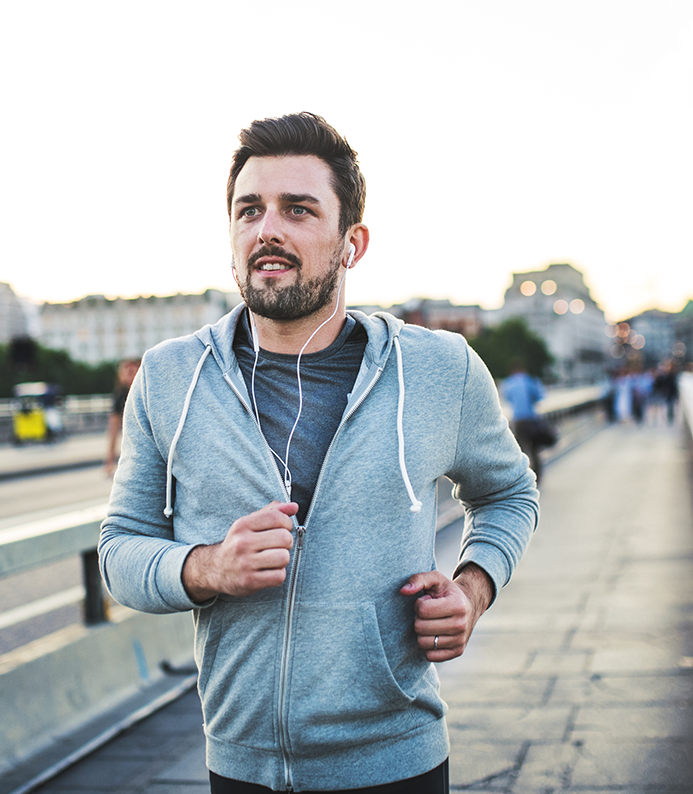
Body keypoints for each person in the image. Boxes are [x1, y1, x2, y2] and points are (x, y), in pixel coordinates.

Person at [99, 112, 539, 793]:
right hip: (239, 765)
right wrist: (209, 565)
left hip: (399, 759)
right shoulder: (168, 377)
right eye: (250, 210)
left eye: (298, 209)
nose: (267, 228)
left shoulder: (437, 369)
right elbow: (120, 551)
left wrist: (473, 588)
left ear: (351, 243)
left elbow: (509, 492)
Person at [499, 359, 550, 483]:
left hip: (518, 420)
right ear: (523, 370)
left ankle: (523, 478)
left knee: (521, 450)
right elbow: (539, 396)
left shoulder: (508, 383)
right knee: (534, 449)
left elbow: (507, 398)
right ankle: (537, 477)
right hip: (531, 419)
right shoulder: (529, 381)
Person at [104, 358, 141, 475]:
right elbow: (113, 428)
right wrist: (110, 456)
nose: (129, 371)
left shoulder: (148, 392)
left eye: (133, 368)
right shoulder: (120, 397)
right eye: (125, 370)